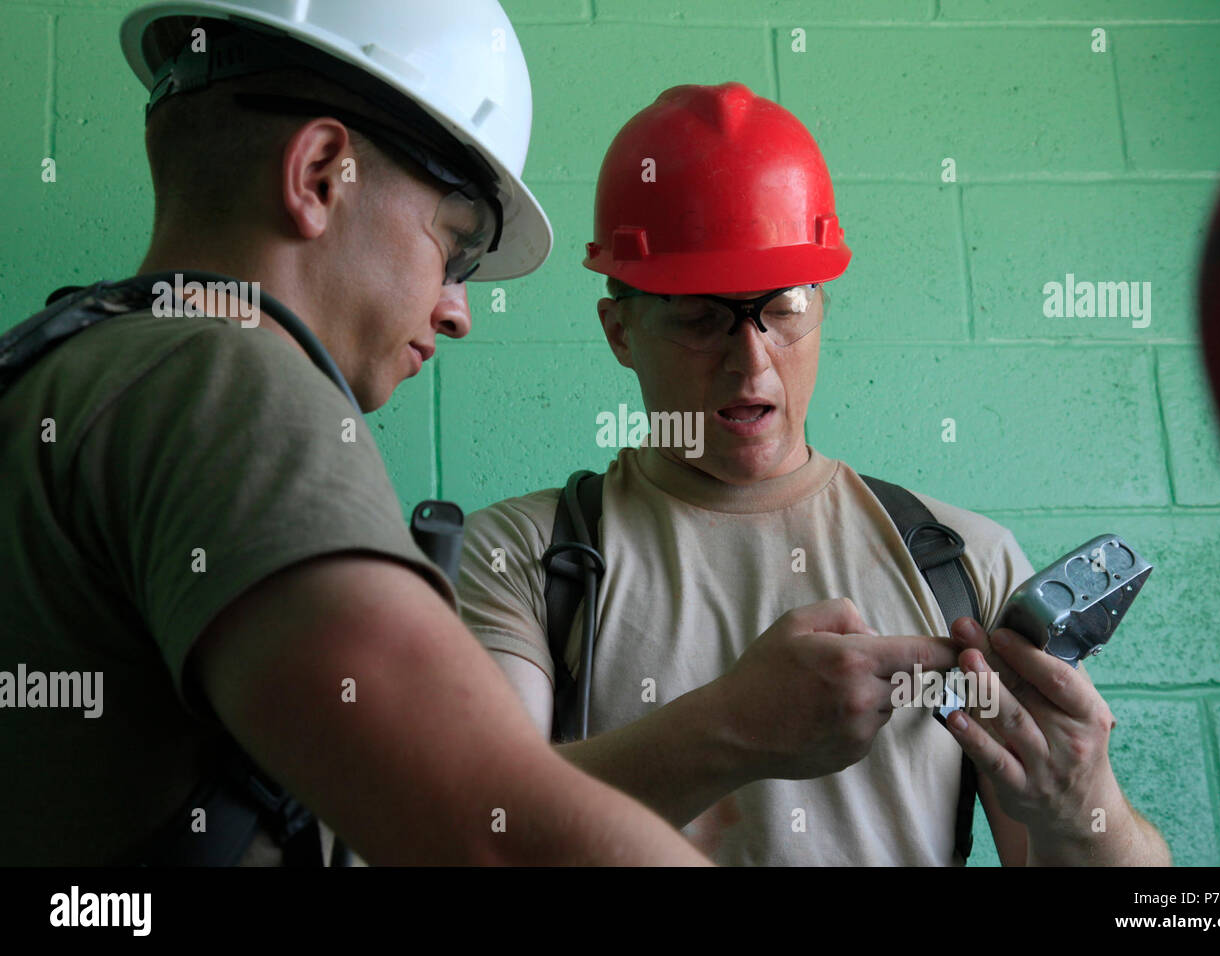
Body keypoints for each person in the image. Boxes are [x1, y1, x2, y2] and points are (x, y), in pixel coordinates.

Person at [0, 0, 711, 866]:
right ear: (321, 175)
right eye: (457, 247)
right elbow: (500, 836)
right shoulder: (227, 383)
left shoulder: (64, 370)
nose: (457, 314)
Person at [456, 82, 1173, 866]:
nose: (752, 358)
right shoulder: (525, 556)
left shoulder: (966, 564)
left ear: (822, 304)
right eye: (700, 315)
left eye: (784, 305)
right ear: (620, 329)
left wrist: (1086, 805)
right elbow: (477, 834)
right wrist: (733, 729)